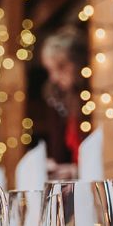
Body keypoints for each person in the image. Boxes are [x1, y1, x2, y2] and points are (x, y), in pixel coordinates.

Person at [38, 26, 88, 176]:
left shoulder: (92, 102)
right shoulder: (61, 100)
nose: (54, 78)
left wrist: (74, 170)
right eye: (50, 70)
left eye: (60, 67)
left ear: (78, 63)